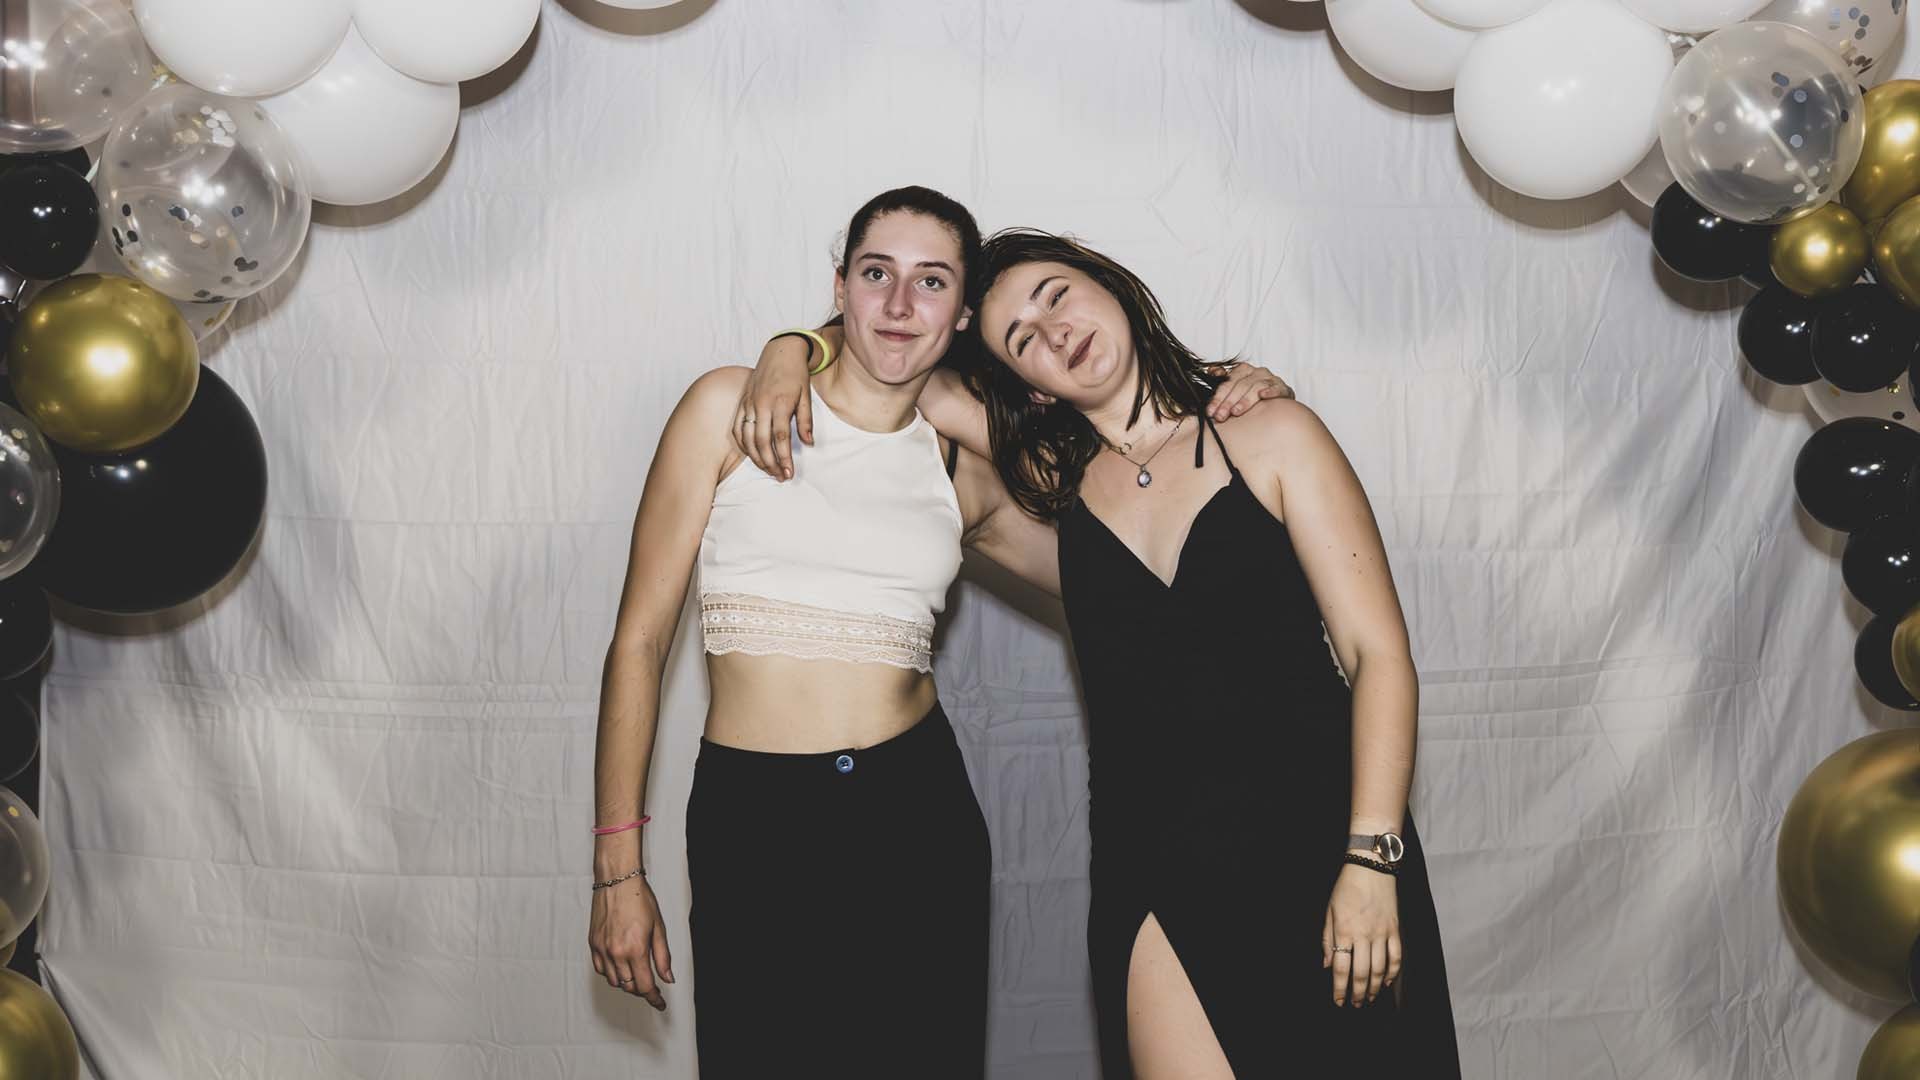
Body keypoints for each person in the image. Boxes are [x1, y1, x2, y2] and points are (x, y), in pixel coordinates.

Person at [589, 187, 1288, 1079]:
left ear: (961, 316)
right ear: (839, 286)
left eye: (930, 282)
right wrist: (618, 869)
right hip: (753, 816)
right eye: (875, 273)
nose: (897, 303)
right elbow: (638, 645)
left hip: (913, 815)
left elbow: (1138, 561)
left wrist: (1233, 411)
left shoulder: (961, 466)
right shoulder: (726, 409)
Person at [741, 229, 1459, 1079]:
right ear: (1032, 388)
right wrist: (794, 347)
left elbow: (1379, 657)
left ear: (1108, 282)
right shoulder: (1053, 482)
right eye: (1021, 341)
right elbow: (900, 353)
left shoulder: (1270, 434)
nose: (1053, 332)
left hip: (1323, 843)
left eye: (1055, 295)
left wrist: (1371, 857)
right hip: (1151, 867)